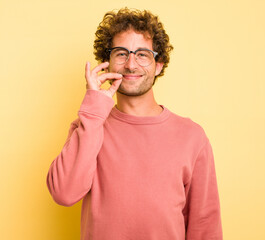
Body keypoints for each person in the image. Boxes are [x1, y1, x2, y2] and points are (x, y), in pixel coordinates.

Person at [46, 7, 223, 240]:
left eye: (142, 54)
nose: (131, 64)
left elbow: (204, 224)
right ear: (107, 63)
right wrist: (93, 107)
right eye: (121, 53)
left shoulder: (192, 136)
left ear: (158, 65)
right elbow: (64, 194)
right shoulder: (89, 125)